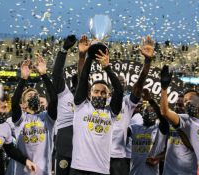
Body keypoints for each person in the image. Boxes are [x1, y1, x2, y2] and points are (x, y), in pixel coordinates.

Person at [71, 46, 123, 175]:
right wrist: (89, 57)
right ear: (90, 93)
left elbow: (120, 90)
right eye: (96, 91)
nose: (99, 94)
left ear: (108, 95)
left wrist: (107, 67)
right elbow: (83, 79)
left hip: (101, 170)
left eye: (103, 92)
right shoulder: (81, 106)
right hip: (79, 168)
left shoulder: (111, 113)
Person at [160, 65, 199, 175]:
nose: (187, 102)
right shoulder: (186, 120)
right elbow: (165, 112)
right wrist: (164, 88)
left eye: (191, 99)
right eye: (185, 101)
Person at [110, 35, 154, 175]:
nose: (120, 85)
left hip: (119, 157)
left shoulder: (127, 103)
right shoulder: (100, 102)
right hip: (97, 155)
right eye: (118, 83)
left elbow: (139, 85)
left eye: (122, 84)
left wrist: (147, 61)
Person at [8, 55, 57, 175]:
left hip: (43, 171)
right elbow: (14, 102)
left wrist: (44, 74)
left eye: (35, 95)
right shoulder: (20, 119)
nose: (34, 96)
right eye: (29, 96)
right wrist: (23, 78)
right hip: (22, 171)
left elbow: (54, 99)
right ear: (23, 105)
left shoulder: (47, 118)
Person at [52, 35, 77, 175]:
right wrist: (63, 50)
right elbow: (56, 74)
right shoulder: (65, 94)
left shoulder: (90, 102)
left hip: (83, 154)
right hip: (64, 150)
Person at [128, 90, 169, 175]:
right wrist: (132, 109)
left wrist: (151, 100)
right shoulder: (134, 128)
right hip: (134, 172)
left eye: (152, 110)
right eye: (146, 110)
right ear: (141, 112)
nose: (148, 112)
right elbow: (120, 126)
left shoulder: (160, 128)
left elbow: (163, 118)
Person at [162, 94, 198, 175]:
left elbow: (194, 147)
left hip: (187, 171)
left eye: (180, 105)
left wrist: (178, 128)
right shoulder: (170, 121)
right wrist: (159, 157)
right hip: (168, 170)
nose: (177, 107)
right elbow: (169, 145)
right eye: (176, 104)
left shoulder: (194, 122)